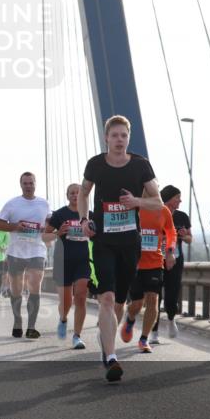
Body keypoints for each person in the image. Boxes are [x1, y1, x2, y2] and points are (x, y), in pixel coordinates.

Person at [77, 115, 162, 382]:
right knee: (106, 297)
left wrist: (136, 201)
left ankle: (107, 337)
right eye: (114, 135)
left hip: (129, 243)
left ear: (128, 138)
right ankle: (111, 357)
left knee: (119, 302)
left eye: (123, 135)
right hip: (103, 241)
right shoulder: (95, 164)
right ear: (106, 138)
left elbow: (158, 202)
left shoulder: (140, 165)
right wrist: (84, 220)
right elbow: (83, 193)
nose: (119, 140)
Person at [0, 172, 53, 338]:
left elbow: (49, 224)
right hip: (16, 252)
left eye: (31, 183)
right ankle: (17, 321)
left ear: (35, 184)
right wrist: (16, 226)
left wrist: (46, 228)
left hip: (37, 251)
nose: (28, 186)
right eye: (25, 183)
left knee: (35, 286)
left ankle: (31, 327)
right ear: (20, 185)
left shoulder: (44, 204)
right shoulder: (12, 204)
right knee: (16, 290)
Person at [120, 205, 176, 352]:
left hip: (155, 263)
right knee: (137, 304)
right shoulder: (133, 207)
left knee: (153, 299)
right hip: (135, 263)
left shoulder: (163, 210)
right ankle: (130, 318)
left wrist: (170, 251)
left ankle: (144, 339)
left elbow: (171, 232)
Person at [45, 183, 91, 349]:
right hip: (62, 261)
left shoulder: (89, 215)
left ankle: (77, 336)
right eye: (71, 193)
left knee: (81, 296)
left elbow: (98, 235)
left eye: (78, 193)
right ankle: (63, 319)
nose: (75, 195)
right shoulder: (59, 214)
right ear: (67, 196)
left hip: (82, 261)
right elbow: (44, 236)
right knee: (66, 302)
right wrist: (58, 233)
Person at [149, 185, 191, 343]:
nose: (180, 200)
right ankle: (153, 332)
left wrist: (184, 236)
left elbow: (190, 239)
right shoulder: (154, 213)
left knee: (172, 296)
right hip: (156, 259)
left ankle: (171, 318)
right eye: (177, 197)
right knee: (155, 296)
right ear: (168, 199)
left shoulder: (182, 216)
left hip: (175, 261)